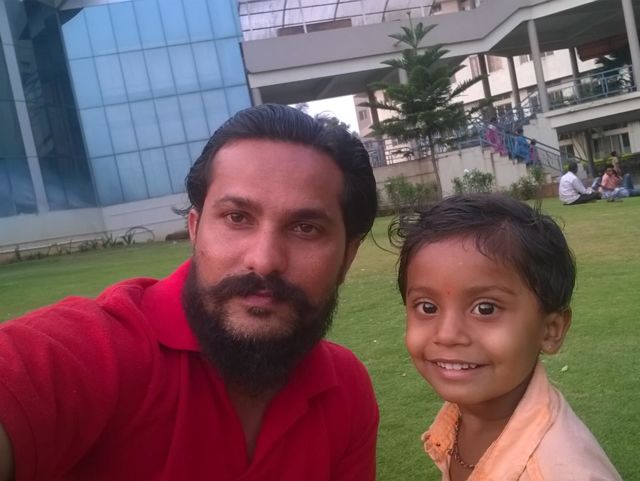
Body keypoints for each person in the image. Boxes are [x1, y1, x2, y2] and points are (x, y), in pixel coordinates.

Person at [0, 104, 380, 481]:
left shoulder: (345, 389)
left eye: (305, 228)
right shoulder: (100, 350)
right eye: (237, 217)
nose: (264, 261)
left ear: (347, 257)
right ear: (195, 230)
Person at [391, 194, 622, 481]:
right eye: (427, 307)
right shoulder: (466, 416)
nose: (447, 335)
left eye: (485, 309)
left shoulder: (558, 471)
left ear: (550, 330)